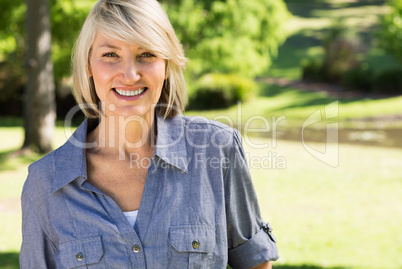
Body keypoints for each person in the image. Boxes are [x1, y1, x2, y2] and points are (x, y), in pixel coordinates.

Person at [19, 0, 279, 268]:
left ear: (166, 65)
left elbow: (256, 263)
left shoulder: (216, 150)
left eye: (147, 55)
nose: (130, 75)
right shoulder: (46, 184)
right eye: (110, 55)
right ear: (88, 66)